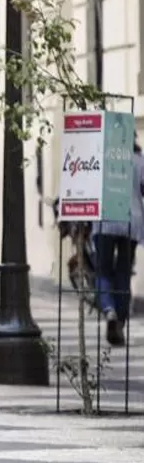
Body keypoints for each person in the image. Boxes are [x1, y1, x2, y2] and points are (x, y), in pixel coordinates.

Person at [93, 140, 144, 346]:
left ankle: (109, 310)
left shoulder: (100, 159)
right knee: (123, 271)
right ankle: (120, 323)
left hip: (105, 220)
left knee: (103, 270)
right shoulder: (139, 160)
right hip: (131, 221)